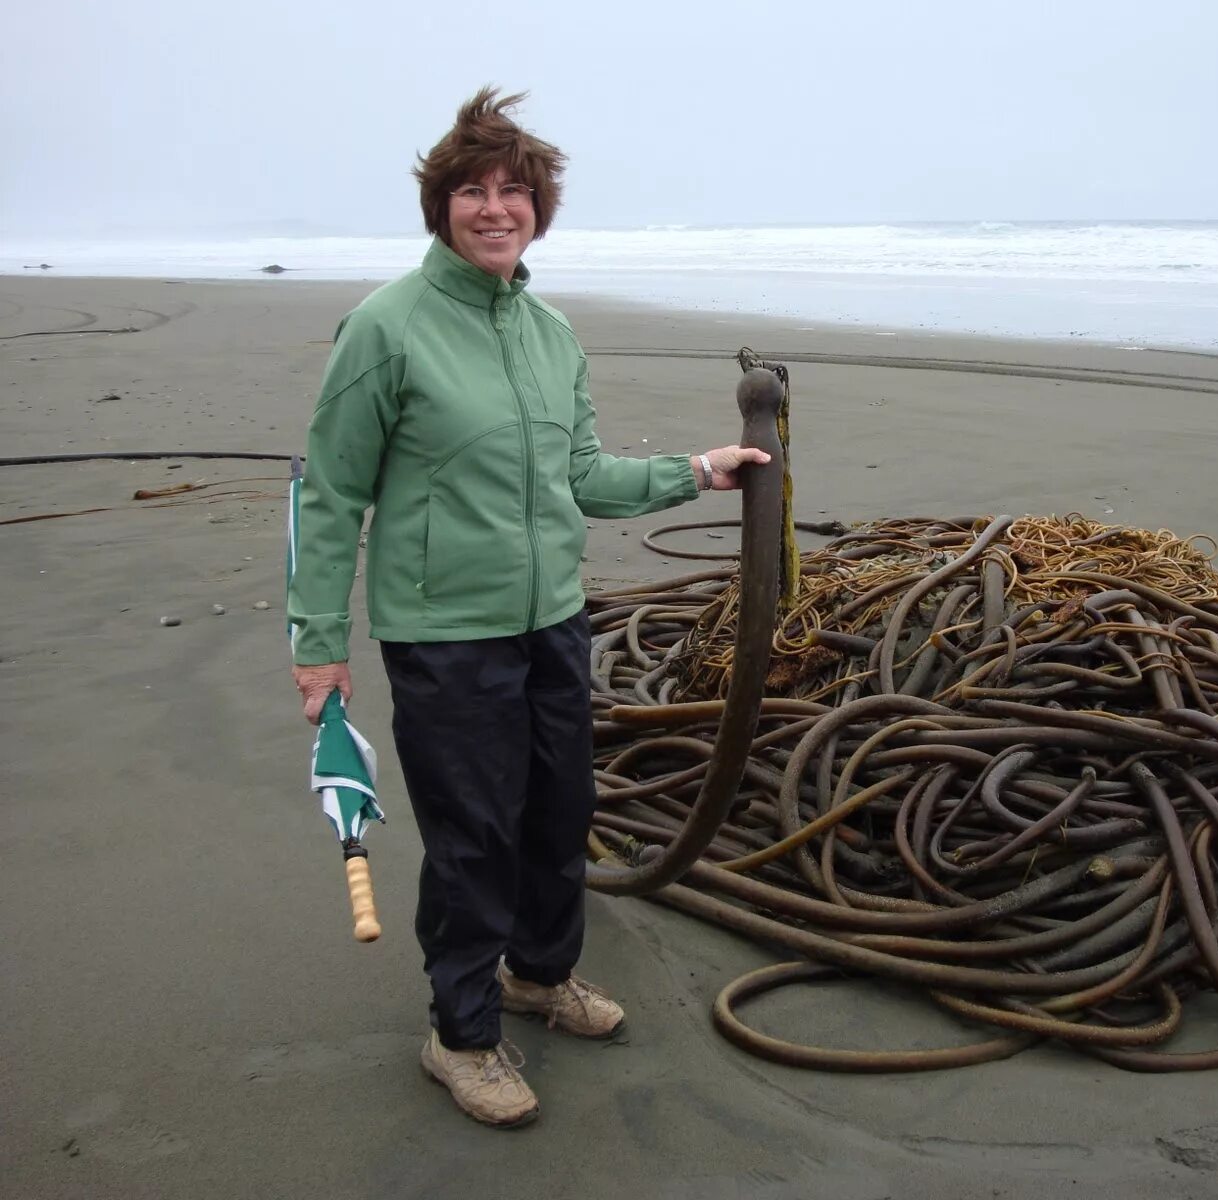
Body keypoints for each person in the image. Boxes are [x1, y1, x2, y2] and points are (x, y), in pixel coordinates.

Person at [287, 86, 769, 1128]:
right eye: (473, 190)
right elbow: (328, 493)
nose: (495, 207)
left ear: (539, 209)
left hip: (552, 618)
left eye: (515, 190)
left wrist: (695, 470)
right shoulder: (385, 328)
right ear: (440, 206)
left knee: (560, 813)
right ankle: (459, 1035)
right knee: (474, 836)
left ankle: (539, 975)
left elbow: (581, 475)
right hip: (441, 630)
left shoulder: (551, 333)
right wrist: (318, 646)